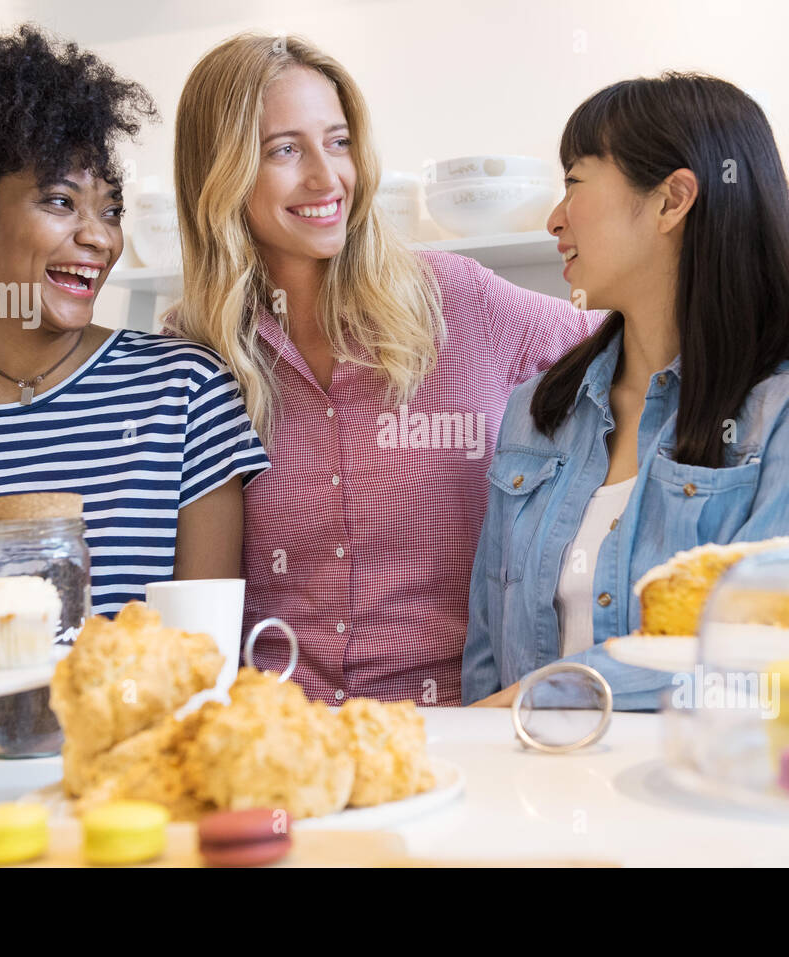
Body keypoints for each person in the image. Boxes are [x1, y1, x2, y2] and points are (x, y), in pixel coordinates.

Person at [169, 32, 603, 705]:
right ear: (219, 170)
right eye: (285, 149)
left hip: (465, 736)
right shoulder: (196, 350)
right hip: (285, 747)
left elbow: (646, 348)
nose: (326, 177)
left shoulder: (457, 298)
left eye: (338, 142)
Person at [463, 73, 789, 710]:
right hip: (524, 795)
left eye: (574, 181)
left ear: (672, 201)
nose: (554, 218)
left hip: (688, 794)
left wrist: (528, 703)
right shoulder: (537, 411)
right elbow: (486, 649)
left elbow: (763, 648)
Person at [0, 25, 268, 631]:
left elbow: (202, 658)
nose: (98, 237)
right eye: (59, 201)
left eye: (110, 210)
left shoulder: (184, 391)